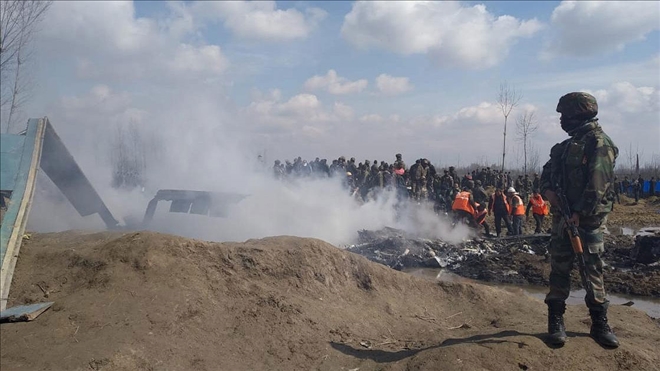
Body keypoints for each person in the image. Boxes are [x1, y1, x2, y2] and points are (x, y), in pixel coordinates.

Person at [540, 92, 619, 348]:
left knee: (592, 271)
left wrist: (580, 212)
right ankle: (556, 322)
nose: (561, 120)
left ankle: (599, 324)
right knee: (559, 269)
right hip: (562, 218)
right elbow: (546, 175)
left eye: (564, 114)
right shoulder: (563, 147)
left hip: (587, 221)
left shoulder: (599, 143)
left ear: (578, 113)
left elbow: (598, 184)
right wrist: (548, 192)